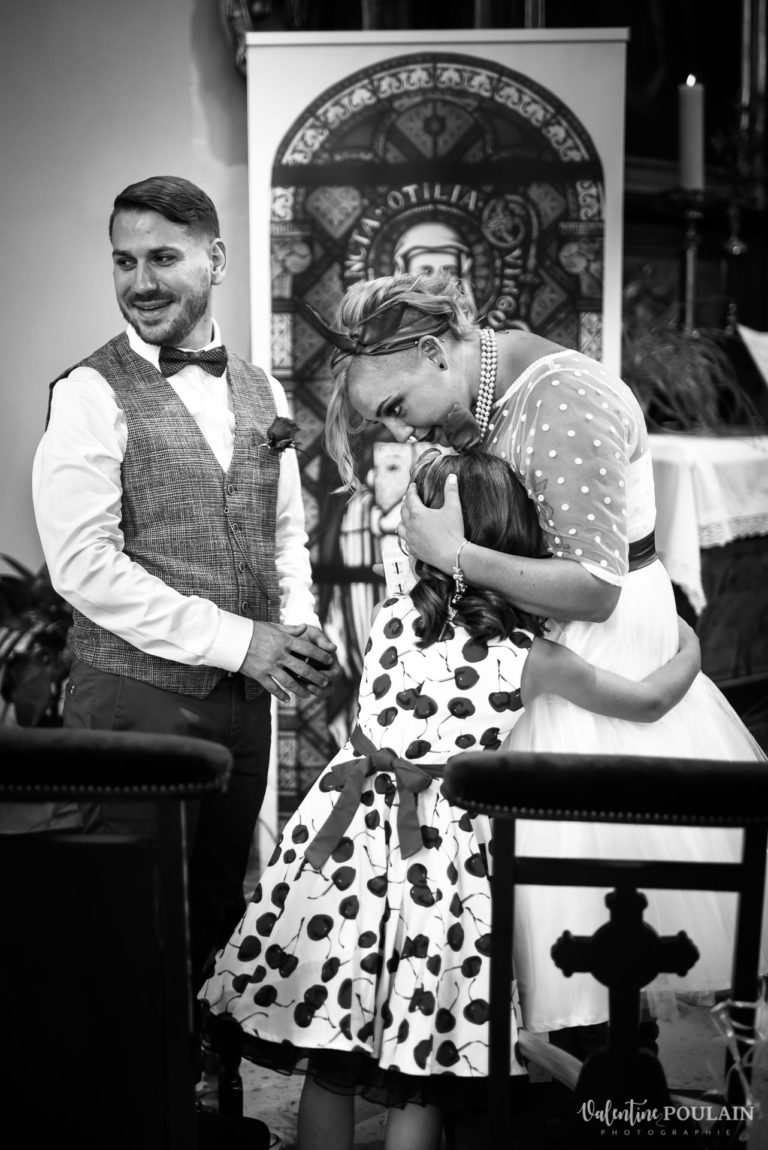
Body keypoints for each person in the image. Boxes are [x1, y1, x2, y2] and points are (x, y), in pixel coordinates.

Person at [199, 446, 703, 1150]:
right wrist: (687, 645)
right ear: (517, 542)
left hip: (343, 844)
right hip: (438, 862)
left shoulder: (390, 615)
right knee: (420, 1065)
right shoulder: (532, 658)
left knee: (331, 1051)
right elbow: (647, 701)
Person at [320, 270, 767, 1044]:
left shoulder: (563, 396)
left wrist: (456, 557)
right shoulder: (481, 393)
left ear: (434, 352)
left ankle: (609, 1076)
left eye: (394, 407)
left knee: (594, 912)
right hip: (530, 654)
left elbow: (594, 588)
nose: (401, 431)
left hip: (592, 652)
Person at [32, 175, 340, 996]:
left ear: (216, 260)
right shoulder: (89, 393)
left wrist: (296, 626)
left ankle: (204, 1070)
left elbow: (283, 530)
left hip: (243, 706)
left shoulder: (263, 389)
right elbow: (83, 566)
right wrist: (243, 642)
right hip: (134, 699)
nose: (140, 281)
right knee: (127, 920)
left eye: (163, 257)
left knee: (216, 911)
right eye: (124, 261)